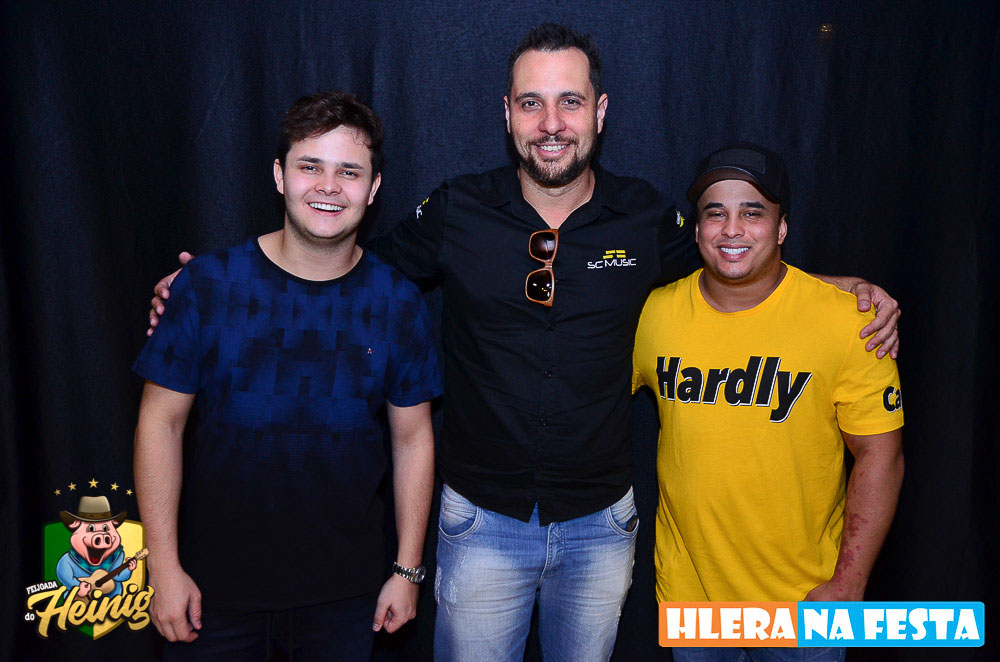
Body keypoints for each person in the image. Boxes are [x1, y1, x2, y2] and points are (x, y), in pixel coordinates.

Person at [146, 26, 900, 662]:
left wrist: (837, 286)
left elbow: (734, 258)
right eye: (532, 102)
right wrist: (216, 282)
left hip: (602, 527)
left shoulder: (644, 217)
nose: (551, 122)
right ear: (507, 113)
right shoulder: (457, 209)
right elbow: (348, 267)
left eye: (570, 101)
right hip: (480, 524)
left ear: (600, 111)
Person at [133, 91, 441, 660]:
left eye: (349, 172)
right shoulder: (206, 286)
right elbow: (160, 424)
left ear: (373, 189)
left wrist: (407, 570)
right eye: (310, 166)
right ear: (279, 175)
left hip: (346, 599)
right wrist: (163, 567)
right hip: (212, 593)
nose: (329, 186)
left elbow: (413, 439)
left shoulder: (398, 302)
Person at [632, 143, 905, 662]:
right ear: (697, 230)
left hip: (805, 603)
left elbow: (881, 455)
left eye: (752, 213)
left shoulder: (850, 322)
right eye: (716, 213)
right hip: (693, 603)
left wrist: (848, 585)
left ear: (781, 229)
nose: (732, 230)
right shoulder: (655, 316)